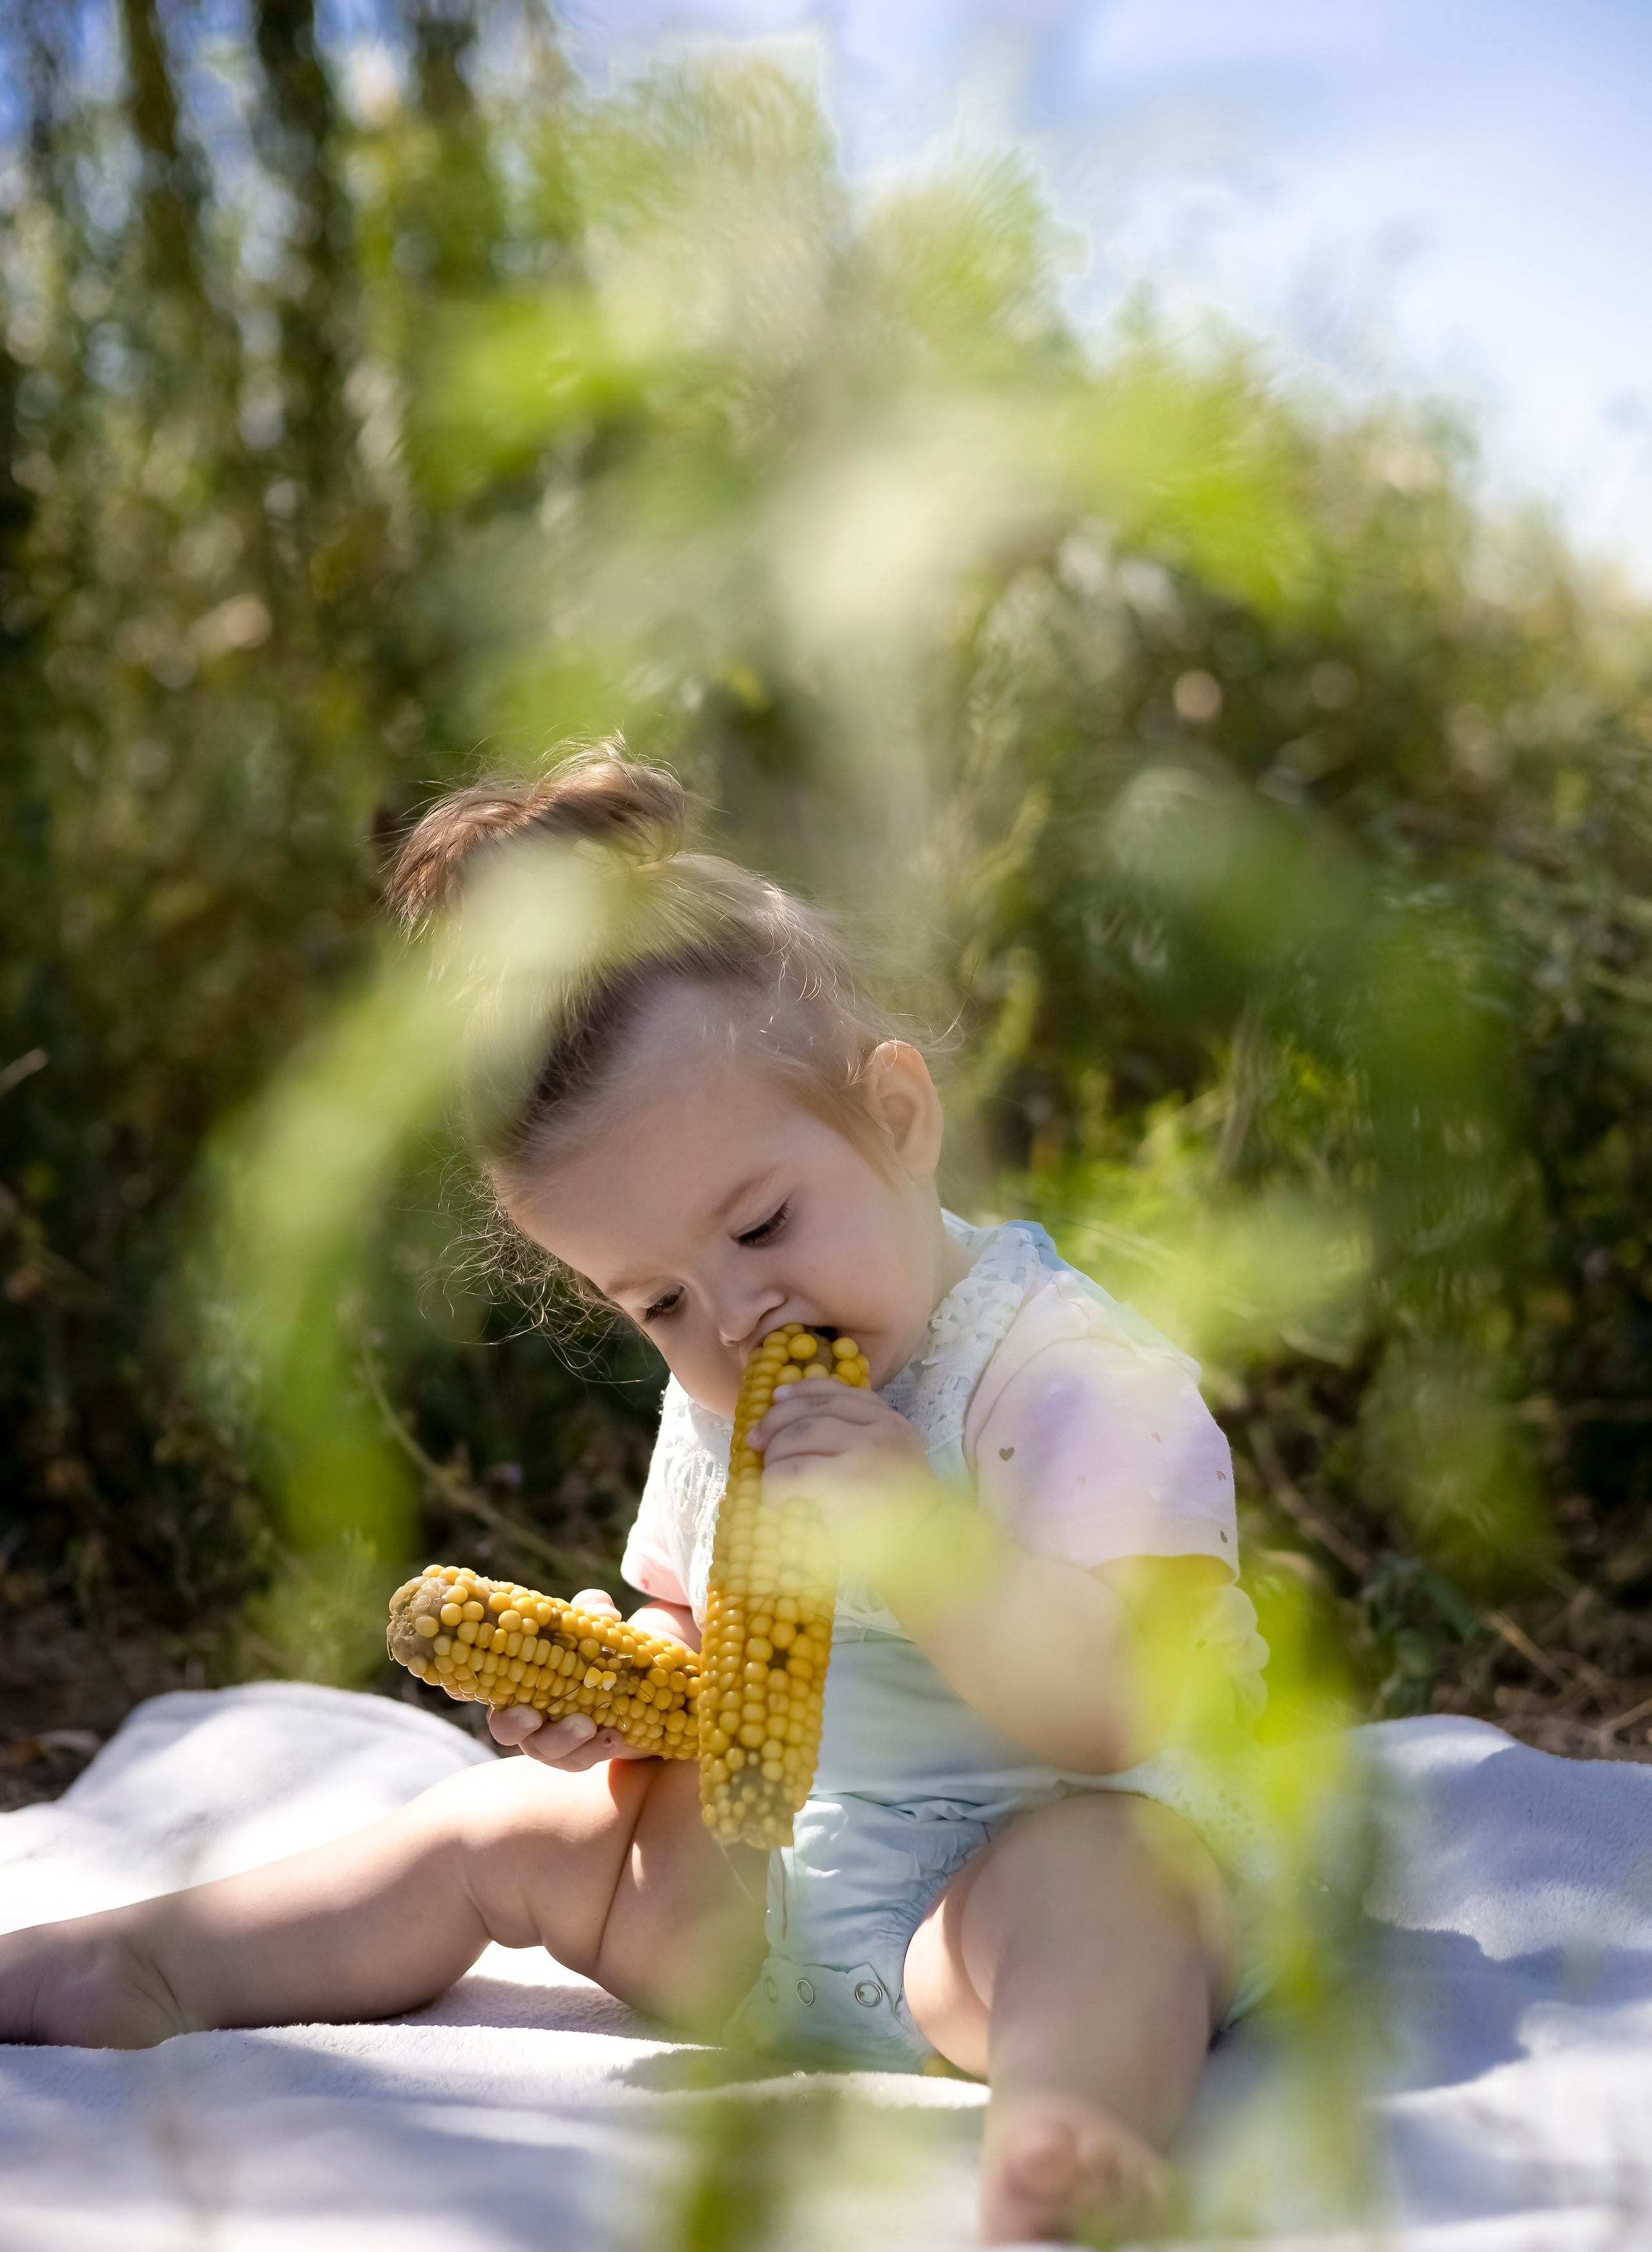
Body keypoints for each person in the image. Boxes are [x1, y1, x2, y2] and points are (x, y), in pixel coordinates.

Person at [0, 745, 1274, 2245]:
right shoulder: (720, 1394)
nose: (731, 1315)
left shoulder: (1067, 1375)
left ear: (897, 1114)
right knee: (500, 1823)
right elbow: (702, 1630)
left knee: (1109, 1890)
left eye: (762, 1223)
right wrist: (627, 1693)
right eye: (657, 1297)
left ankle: (1067, 2156)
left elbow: (1124, 1709)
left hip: (1013, 1897)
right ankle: (138, 1962)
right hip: (780, 1891)